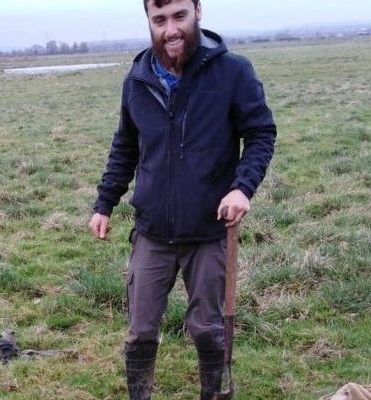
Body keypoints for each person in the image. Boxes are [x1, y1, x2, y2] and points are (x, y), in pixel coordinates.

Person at [88, 0, 276, 399]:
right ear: (149, 23)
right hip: (152, 230)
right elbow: (125, 146)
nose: (170, 29)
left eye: (178, 17)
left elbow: (260, 133)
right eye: (159, 20)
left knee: (209, 329)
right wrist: (105, 203)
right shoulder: (137, 80)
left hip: (210, 229)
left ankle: (214, 393)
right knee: (140, 330)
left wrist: (242, 188)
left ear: (197, 13)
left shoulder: (232, 72)